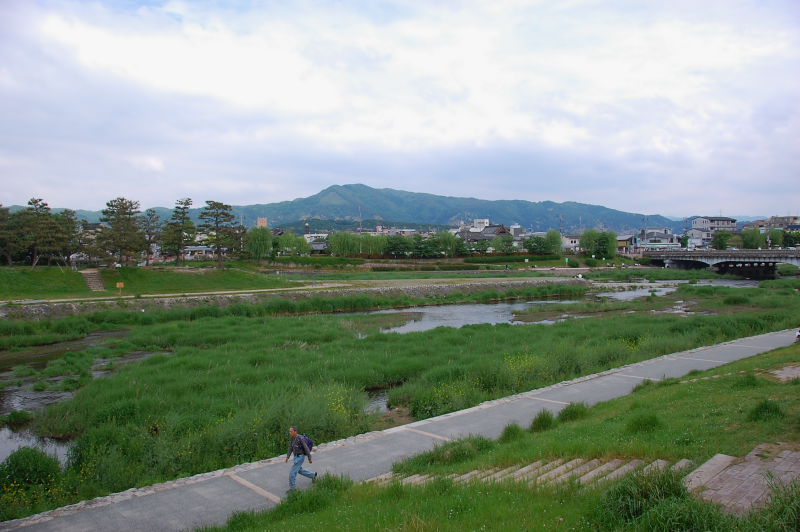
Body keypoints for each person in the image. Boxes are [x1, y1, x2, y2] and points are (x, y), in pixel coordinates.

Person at [285, 425, 317, 492]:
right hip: (296, 457)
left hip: (300, 457)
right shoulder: (292, 438)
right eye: (289, 431)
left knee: (292, 473)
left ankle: (293, 489)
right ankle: (313, 475)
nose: (290, 433)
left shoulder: (300, 438)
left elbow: (306, 448)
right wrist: (287, 457)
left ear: (295, 431)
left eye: (291, 431)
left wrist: (309, 458)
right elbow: (290, 448)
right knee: (300, 470)